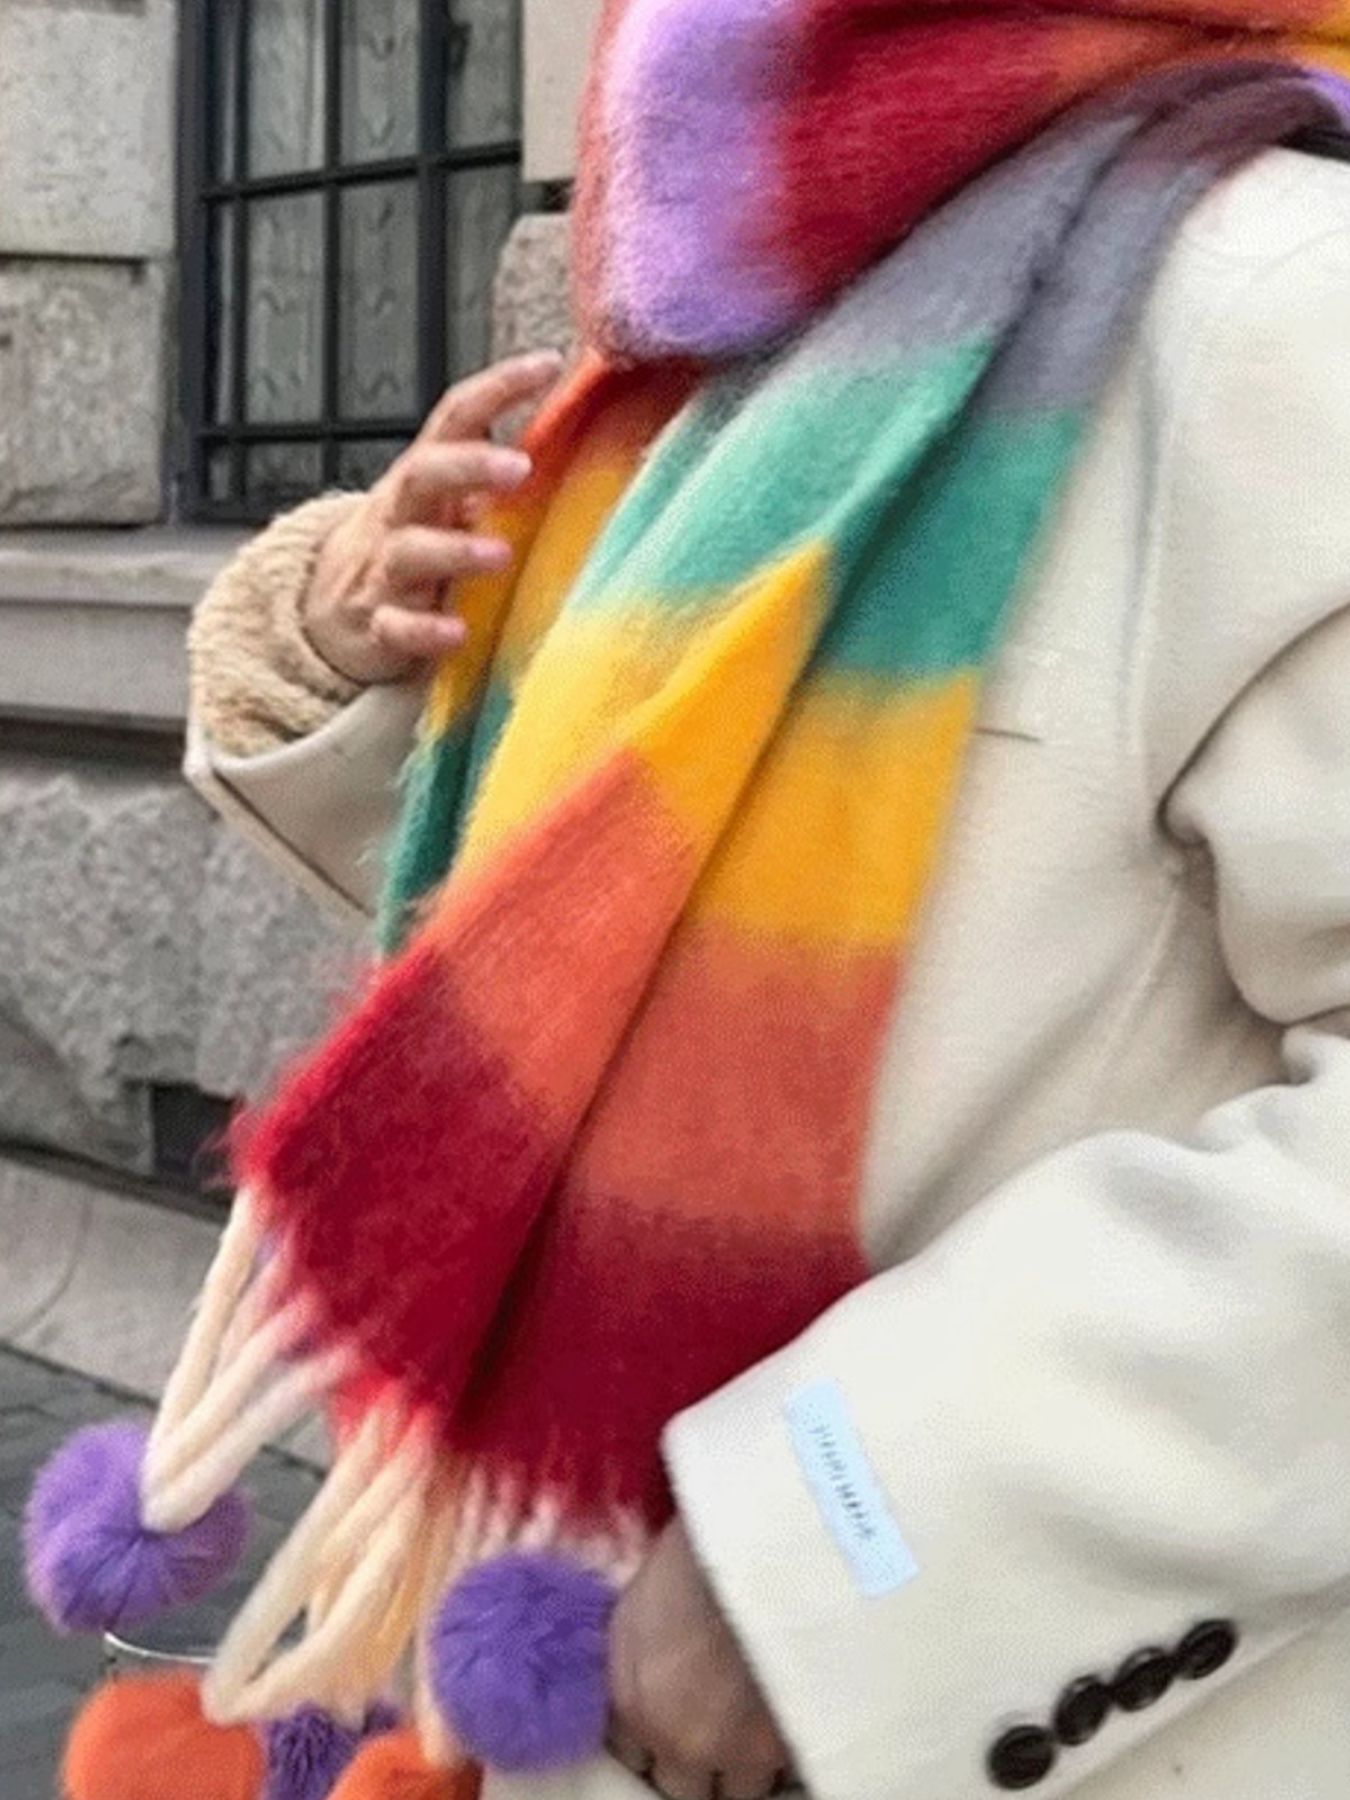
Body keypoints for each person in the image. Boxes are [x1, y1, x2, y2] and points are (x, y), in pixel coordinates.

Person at [32, 7, 1350, 1800]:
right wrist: (360, 642)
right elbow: (613, 925)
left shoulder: (1283, 303)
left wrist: (838, 1535)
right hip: (560, 1647)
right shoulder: (743, 313)